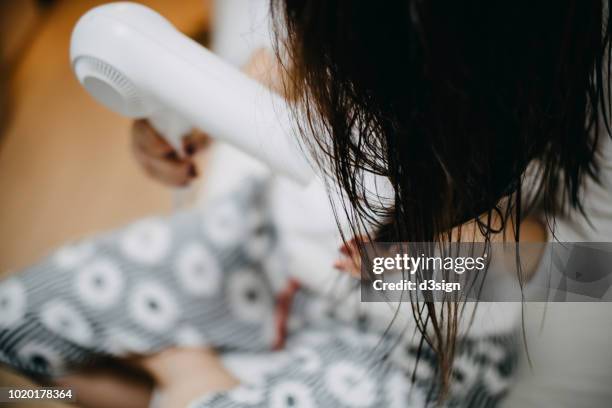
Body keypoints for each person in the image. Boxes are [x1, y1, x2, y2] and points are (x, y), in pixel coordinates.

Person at [1, 1, 610, 407]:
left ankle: (182, 381)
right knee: (16, 323)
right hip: (266, 245)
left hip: (422, 338)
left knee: (181, 381)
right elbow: (271, 70)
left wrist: (411, 264)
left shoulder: (541, 111)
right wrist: (181, 121)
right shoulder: (335, 32)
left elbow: (575, 268)